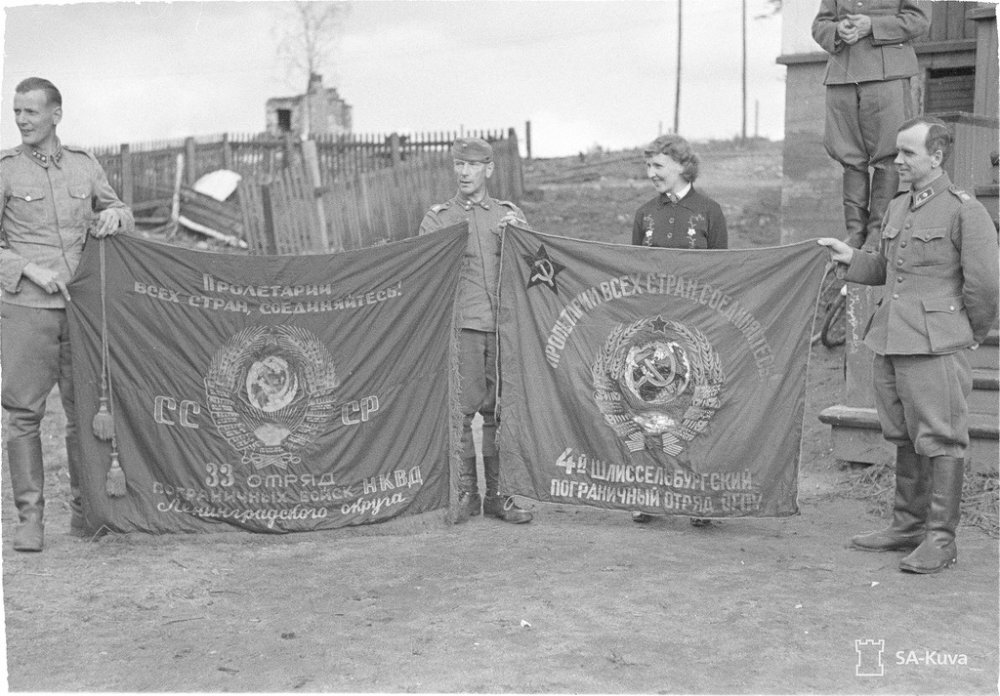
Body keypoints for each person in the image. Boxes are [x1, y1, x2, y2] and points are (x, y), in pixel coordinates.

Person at [818, 116, 999, 574]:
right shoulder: (899, 207)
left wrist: (969, 334)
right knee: (902, 433)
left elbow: (985, 284)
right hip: (891, 336)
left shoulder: (964, 211)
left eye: (907, 153)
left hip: (934, 344)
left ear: (936, 157)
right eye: (897, 152)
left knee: (940, 437)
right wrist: (852, 259)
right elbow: (886, 268)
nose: (896, 161)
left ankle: (941, 539)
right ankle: (907, 525)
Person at [1, 77, 134, 552]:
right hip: (25, 312)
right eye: (17, 112)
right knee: (23, 415)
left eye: (30, 112)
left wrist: (115, 217)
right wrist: (27, 267)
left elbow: (118, 208)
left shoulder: (84, 165)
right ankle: (29, 521)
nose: (21, 120)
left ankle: (87, 510)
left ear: (56, 114)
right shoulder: (6, 171)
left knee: (84, 415)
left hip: (80, 314)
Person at [418, 137, 532, 524]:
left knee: (501, 413)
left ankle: (500, 496)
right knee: (462, 414)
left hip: (502, 329)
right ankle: (465, 494)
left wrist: (519, 236)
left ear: (489, 169)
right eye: (458, 165)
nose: (463, 172)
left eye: (472, 165)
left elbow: (535, 268)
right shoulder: (438, 218)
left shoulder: (508, 215)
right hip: (463, 327)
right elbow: (426, 274)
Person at [631, 134, 727, 527]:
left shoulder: (709, 212)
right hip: (655, 331)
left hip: (696, 330)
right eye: (648, 166)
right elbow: (634, 273)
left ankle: (696, 497)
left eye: (658, 166)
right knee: (651, 409)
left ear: (682, 166)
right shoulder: (644, 214)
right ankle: (650, 494)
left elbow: (722, 274)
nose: (650, 173)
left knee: (695, 410)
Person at [812, 0, 931, 249]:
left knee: (888, 155)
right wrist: (836, 30)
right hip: (841, 74)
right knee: (849, 157)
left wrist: (873, 25)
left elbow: (919, 19)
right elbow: (820, 24)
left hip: (886, 74)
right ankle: (855, 233)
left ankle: (878, 232)